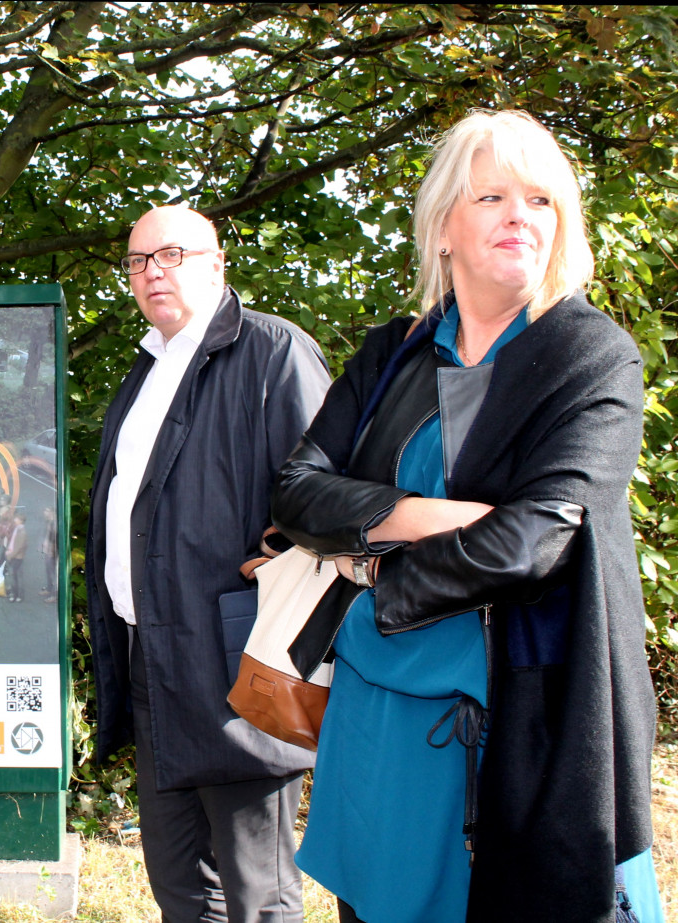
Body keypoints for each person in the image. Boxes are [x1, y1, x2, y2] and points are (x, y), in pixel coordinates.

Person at [270, 110, 659, 923]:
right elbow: (297, 489)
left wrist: (371, 565)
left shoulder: (593, 357)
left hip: (520, 721)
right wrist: (416, 513)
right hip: (377, 715)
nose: (521, 215)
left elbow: (532, 543)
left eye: (542, 200)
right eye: (492, 196)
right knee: (373, 906)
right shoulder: (393, 352)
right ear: (445, 224)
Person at [85, 204, 330, 923]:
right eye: (137, 261)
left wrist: (284, 550)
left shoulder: (273, 352)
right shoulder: (147, 367)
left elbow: (327, 494)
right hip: (152, 660)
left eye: (171, 254)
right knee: (180, 883)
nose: (152, 271)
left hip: (239, 662)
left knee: (259, 892)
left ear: (217, 262)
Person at [3, 511, 28, 603]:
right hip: (13, 555)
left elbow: (19, 547)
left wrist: (10, 555)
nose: (14, 520)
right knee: (14, 575)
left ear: (21, 521)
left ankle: (15, 594)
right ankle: (16, 593)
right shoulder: (17, 529)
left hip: (16, 557)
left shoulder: (22, 532)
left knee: (14, 575)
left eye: (16, 519)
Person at [38, 506, 57, 603]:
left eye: (47, 510)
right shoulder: (49, 522)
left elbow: (55, 540)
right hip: (47, 550)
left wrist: (52, 552)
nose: (44, 512)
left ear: (52, 512)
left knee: (53, 573)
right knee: (48, 571)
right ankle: (49, 589)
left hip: (52, 552)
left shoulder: (55, 524)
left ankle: (54, 595)